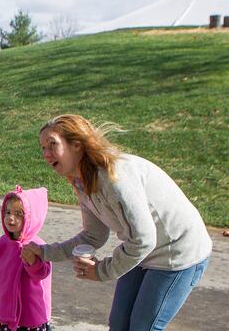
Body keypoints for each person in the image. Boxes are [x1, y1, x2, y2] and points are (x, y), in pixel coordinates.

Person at [23, 114, 212, 331]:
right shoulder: (82, 182)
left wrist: (102, 271)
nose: (46, 154)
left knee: (142, 327)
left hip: (178, 254)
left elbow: (143, 240)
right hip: (142, 253)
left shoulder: (114, 177)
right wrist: (44, 252)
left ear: (76, 145)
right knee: (119, 324)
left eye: (52, 144)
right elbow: (93, 235)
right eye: (42, 148)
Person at [0, 186, 52, 331]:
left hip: (29, 316)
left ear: (30, 218)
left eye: (18, 214)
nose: (10, 218)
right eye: (7, 212)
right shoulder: (2, 243)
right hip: (3, 313)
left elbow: (42, 273)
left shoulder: (37, 245)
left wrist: (33, 262)